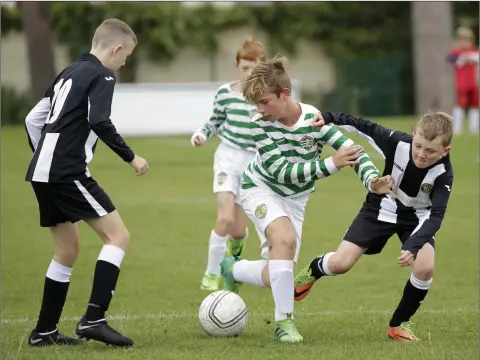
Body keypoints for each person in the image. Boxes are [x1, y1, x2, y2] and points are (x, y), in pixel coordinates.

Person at [220, 57, 393, 343]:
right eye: (256, 104)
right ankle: (284, 322)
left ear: (285, 94)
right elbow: (282, 172)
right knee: (284, 242)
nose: (260, 110)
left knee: (276, 274)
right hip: (260, 187)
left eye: (264, 102)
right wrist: (331, 165)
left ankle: (233, 269)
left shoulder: (315, 120)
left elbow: (352, 151)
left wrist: (372, 181)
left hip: (296, 200)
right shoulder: (259, 123)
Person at [24, 18, 149, 347]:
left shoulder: (69, 72)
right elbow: (99, 119)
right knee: (118, 236)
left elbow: (33, 119)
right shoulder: (102, 73)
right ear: (116, 48)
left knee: (67, 250)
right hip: (66, 172)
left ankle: (44, 332)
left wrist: (45, 156)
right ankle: (94, 318)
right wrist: (131, 157)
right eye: (126, 57)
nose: (124, 64)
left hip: (42, 172)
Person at [294, 111, 454, 343]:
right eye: (418, 145)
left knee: (425, 268)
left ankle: (398, 324)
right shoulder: (397, 142)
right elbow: (363, 126)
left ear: (444, 151)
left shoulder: (443, 174)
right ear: (413, 136)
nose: (421, 154)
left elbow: (436, 216)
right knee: (341, 264)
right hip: (383, 206)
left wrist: (414, 244)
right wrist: (328, 117)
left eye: (430, 151)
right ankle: (313, 269)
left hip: (417, 217)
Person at [191, 38, 266, 291]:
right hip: (227, 158)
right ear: (237, 65)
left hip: (252, 165)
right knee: (223, 219)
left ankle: (235, 252)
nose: (249, 73)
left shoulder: (264, 97)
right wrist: (201, 134)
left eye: (254, 68)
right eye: (245, 68)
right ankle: (211, 274)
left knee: (237, 230)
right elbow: (213, 122)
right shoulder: (225, 93)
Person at [447, 26, 479, 134]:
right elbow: (450, 58)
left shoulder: (474, 51)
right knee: (460, 105)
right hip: (462, 84)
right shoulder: (456, 52)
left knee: (474, 105)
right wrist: (463, 58)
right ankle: (457, 128)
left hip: (473, 83)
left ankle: (473, 128)